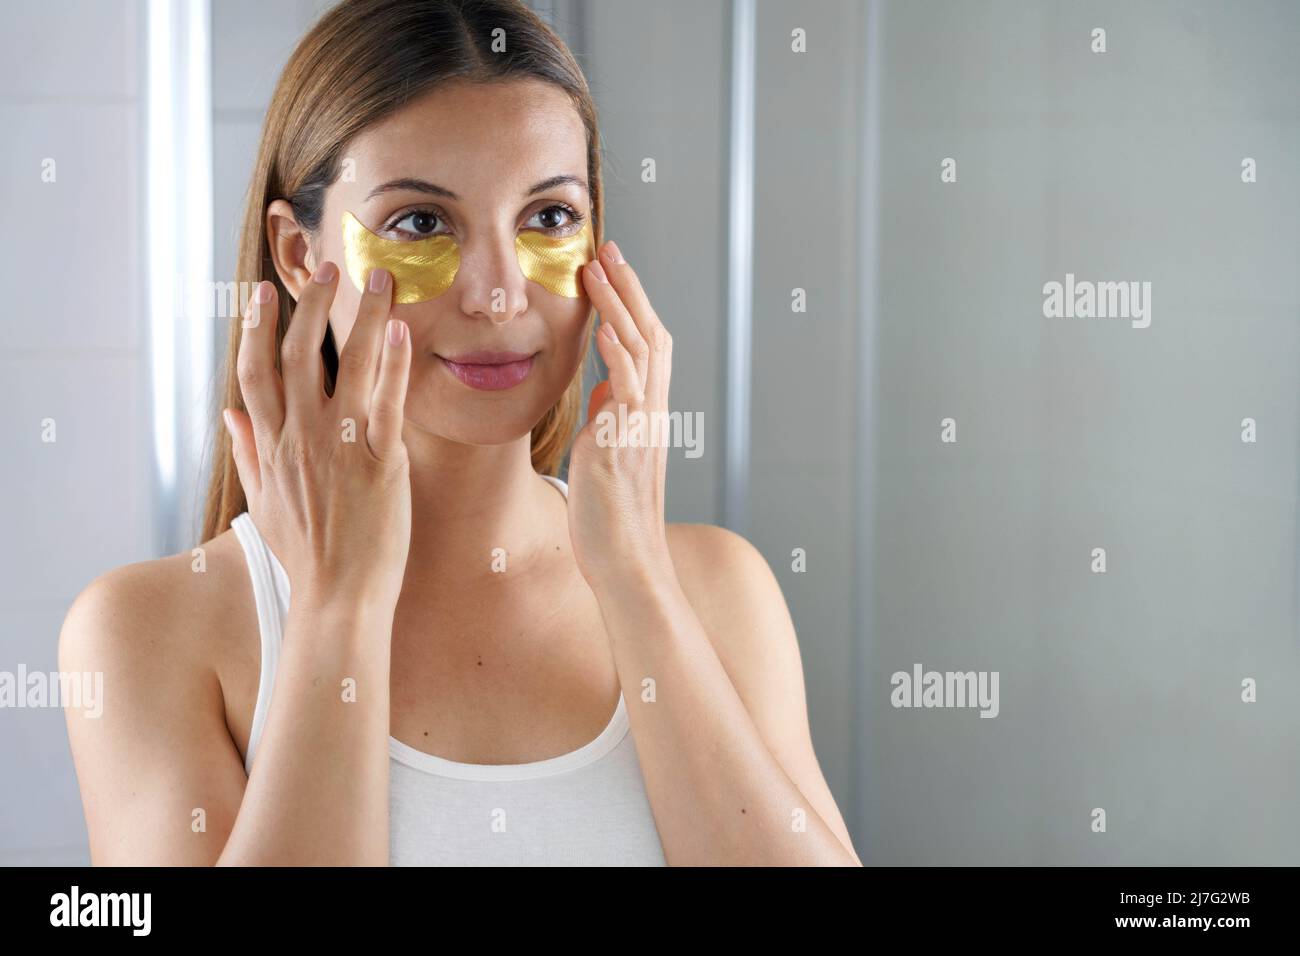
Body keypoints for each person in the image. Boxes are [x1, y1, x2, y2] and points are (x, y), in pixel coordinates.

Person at [60, 0, 860, 866]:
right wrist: (337, 609)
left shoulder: (718, 591)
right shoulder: (148, 632)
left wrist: (635, 581)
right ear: (297, 256)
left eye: (548, 218)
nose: (498, 292)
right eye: (421, 224)